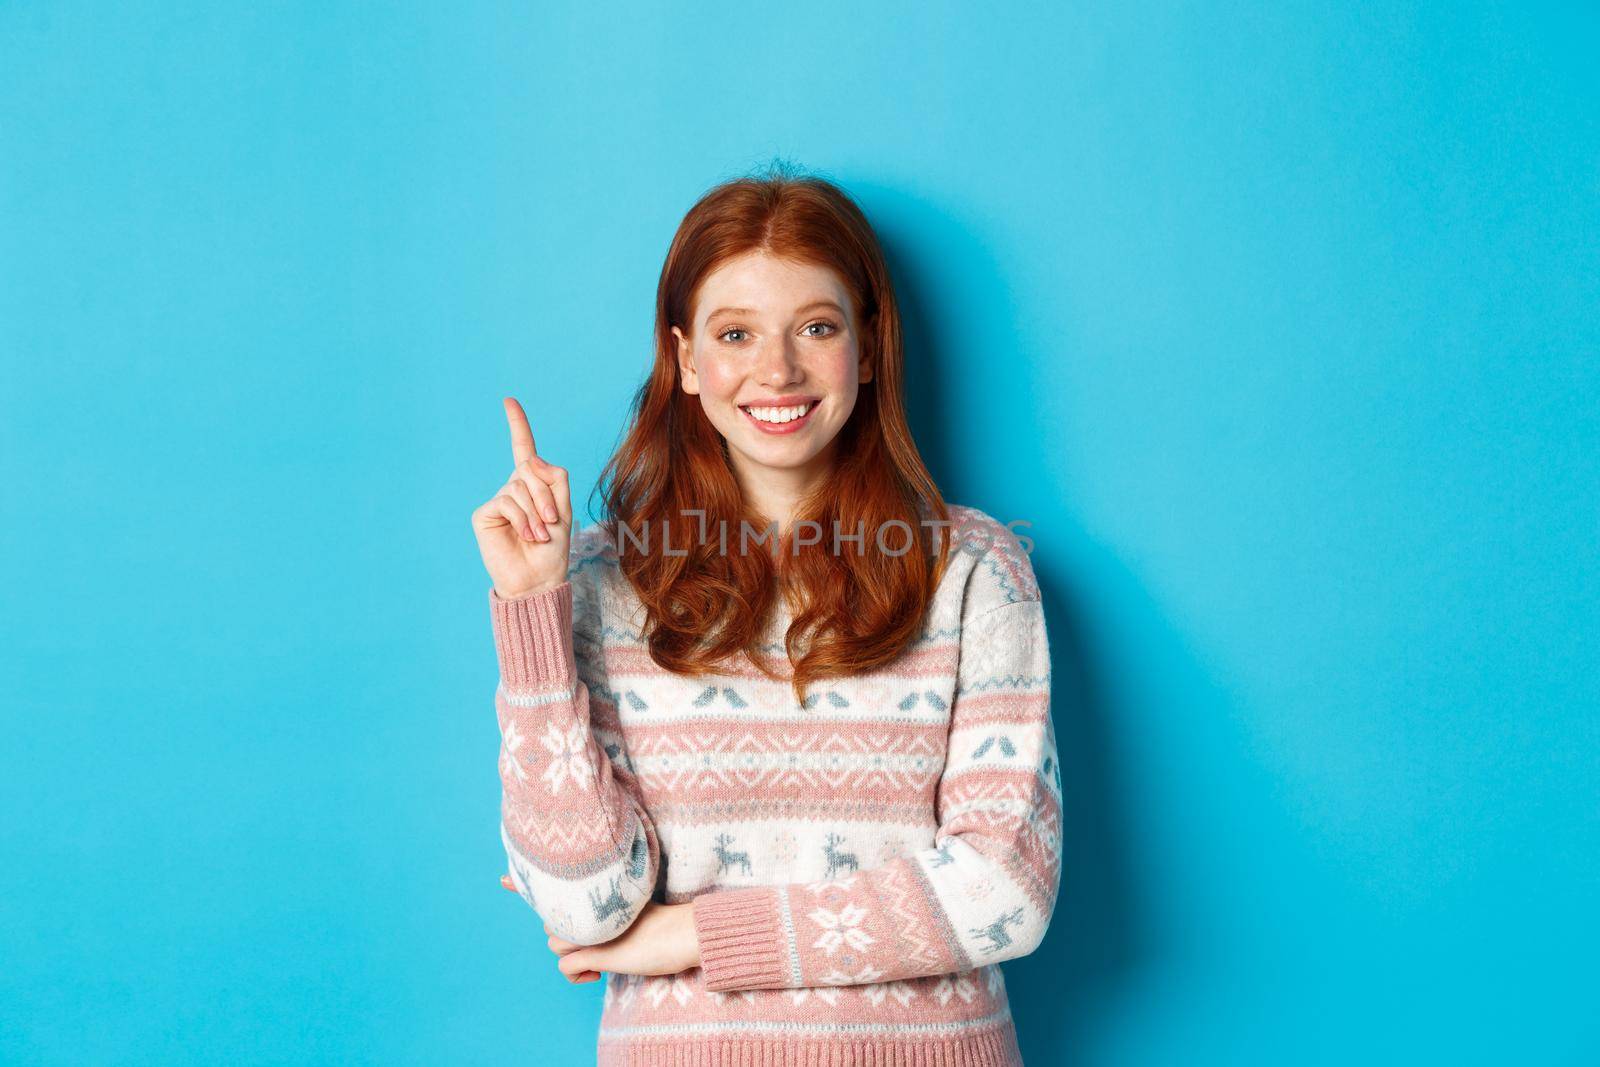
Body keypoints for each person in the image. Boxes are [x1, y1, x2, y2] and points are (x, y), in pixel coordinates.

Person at [470, 164, 1060, 1066]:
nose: (777, 370)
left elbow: (1006, 889)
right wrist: (531, 613)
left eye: (815, 328)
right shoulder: (590, 583)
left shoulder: (974, 572)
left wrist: (698, 935)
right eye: (736, 332)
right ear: (686, 361)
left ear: (867, 346)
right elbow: (585, 908)